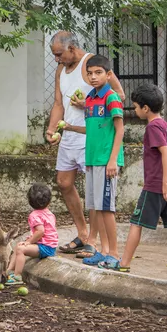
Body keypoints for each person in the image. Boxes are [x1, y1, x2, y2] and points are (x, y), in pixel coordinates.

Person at [99, 84, 167, 282]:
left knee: (135, 224)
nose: (135, 110)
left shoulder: (153, 127)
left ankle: (124, 264)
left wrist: (164, 182)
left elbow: (166, 152)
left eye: (136, 107)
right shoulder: (166, 126)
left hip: (157, 186)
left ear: (145, 108)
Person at [46, 31, 125, 260]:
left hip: (91, 137)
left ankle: (93, 240)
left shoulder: (92, 65)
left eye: (59, 54)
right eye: (54, 55)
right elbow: (58, 102)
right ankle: (82, 232)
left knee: (95, 193)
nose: (56, 59)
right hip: (68, 133)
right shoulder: (61, 69)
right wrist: (52, 130)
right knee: (64, 182)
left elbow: (118, 94)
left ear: (72, 48)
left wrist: (89, 104)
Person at [79, 54, 125, 267]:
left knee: (107, 208)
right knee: (97, 207)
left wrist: (113, 160)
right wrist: (68, 128)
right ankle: (104, 251)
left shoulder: (111, 97)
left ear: (108, 75)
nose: (93, 77)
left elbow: (120, 130)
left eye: (98, 73)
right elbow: (91, 128)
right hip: (91, 160)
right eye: (90, 73)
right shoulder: (89, 98)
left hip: (106, 161)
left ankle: (114, 254)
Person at [5, 183, 58, 286]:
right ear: (49, 201)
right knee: (18, 245)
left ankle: (17, 276)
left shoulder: (34, 215)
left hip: (46, 248)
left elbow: (41, 231)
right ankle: (9, 270)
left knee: (20, 249)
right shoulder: (49, 213)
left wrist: (29, 241)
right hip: (49, 246)